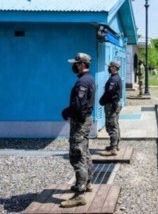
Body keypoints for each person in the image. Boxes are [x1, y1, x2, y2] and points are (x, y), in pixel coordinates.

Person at [60, 52, 95, 207]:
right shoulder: (89, 79)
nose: (73, 66)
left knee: (77, 155)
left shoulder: (82, 82)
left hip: (80, 123)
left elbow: (79, 105)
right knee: (85, 151)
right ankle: (87, 183)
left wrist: (66, 112)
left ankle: (79, 195)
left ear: (82, 64)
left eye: (75, 63)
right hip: (86, 120)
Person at [99, 61, 122, 156]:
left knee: (111, 125)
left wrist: (102, 100)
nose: (109, 68)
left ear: (114, 68)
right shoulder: (115, 78)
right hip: (115, 103)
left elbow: (109, 93)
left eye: (110, 66)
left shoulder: (114, 79)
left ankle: (113, 148)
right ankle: (115, 145)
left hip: (112, 104)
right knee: (115, 124)